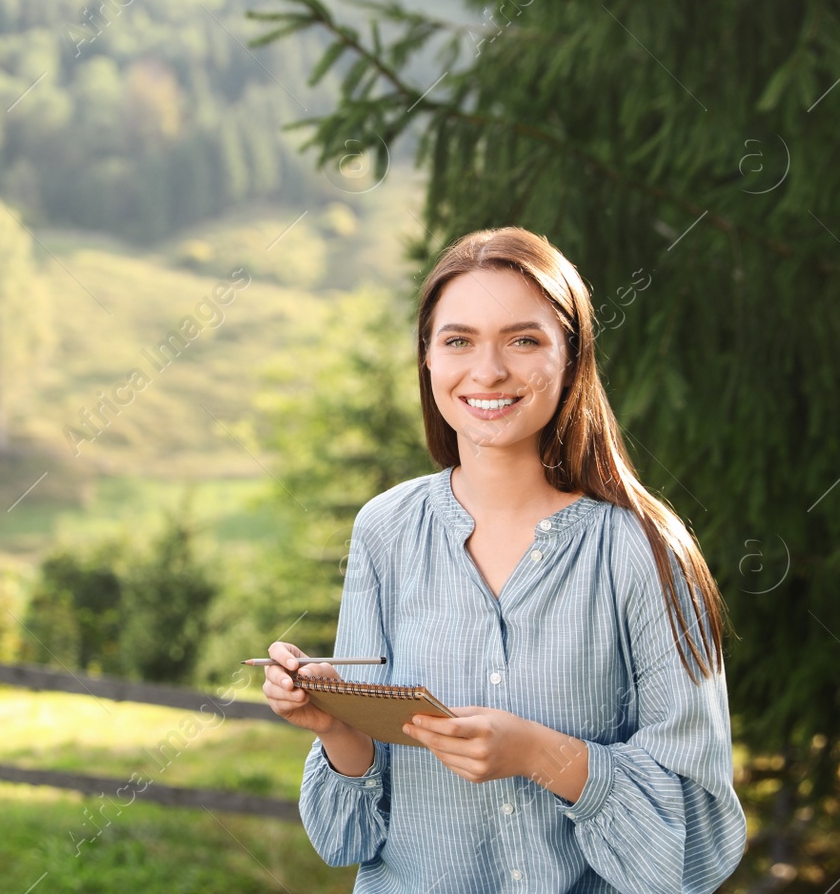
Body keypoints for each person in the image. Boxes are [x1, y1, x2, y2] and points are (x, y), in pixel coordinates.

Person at [260, 226, 746, 892]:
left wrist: (541, 754)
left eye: (523, 339)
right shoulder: (385, 530)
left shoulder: (644, 551)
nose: (487, 370)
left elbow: (698, 842)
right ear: (427, 359)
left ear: (572, 358)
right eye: (458, 340)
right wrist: (337, 727)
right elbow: (350, 837)